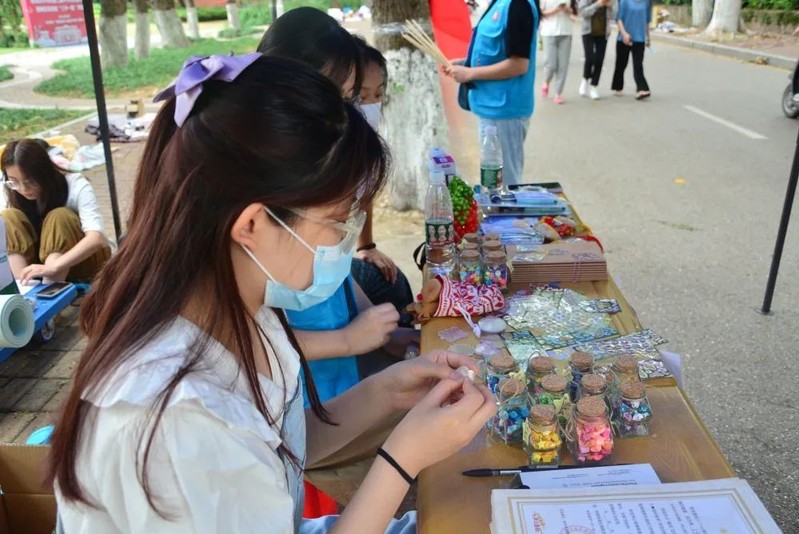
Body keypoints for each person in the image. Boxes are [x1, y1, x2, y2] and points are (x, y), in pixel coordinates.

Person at [48, 53, 496, 533]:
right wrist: (403, 458)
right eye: (338, 220)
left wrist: (387, 389)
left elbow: (284, 444)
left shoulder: (247, 310)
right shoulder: (177, 418)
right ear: (252, 225)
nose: (347, 239)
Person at [258, 10, 416, 401]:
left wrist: (381, 337)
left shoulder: (319, 168)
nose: (350, 114)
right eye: (342, 98)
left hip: (331, 390)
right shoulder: (266, 189)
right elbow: (244, 343)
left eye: (352, 98)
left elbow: (336, 270)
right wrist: (347, 340)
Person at [446, 0, 540, 187]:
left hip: (505, 112)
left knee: (505, 185)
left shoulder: (518, 5)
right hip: (492, 109)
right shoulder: (500, 3)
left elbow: (519, 64)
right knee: (492, 182)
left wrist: (470, 73)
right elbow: (497, 53)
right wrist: (465, 63)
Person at [0, 139, 110, 285]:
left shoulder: (76, 185)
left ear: (45, 172)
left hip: (82, 265)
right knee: (8, 217)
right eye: (14, 181)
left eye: (29, 181)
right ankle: (25, 287)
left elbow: (96, 238)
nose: (23, 189)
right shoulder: (9, 190)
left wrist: (53, 267)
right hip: (37, 268)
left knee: (59, 216)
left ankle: (50, 290)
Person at [611, 0, 651, 100]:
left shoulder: (646, 2)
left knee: (638, 65)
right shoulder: (625, 1)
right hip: (624, 38)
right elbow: (619, 19)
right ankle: (618, 86)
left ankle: (642, 89)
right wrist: (624, 34)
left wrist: (648, 37)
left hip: (640, 39)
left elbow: (646, 21)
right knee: (621, 64)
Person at [578, 0, 616, 100]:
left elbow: (614, 16)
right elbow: (582, 12)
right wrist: (597, 4)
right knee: (589, 58)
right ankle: (585, 79)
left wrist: (610, 6)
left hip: (603, 33)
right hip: (588, 31)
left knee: (599, 60)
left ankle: (594, 86)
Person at [540, 0, 575, 105]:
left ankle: (558, 93)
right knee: (551, 64)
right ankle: (546, 81)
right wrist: (556, 10)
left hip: (566, 32)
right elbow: (541, 13)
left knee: (563, 65)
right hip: (549, 32)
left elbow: (575, 12)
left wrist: (568, 10)